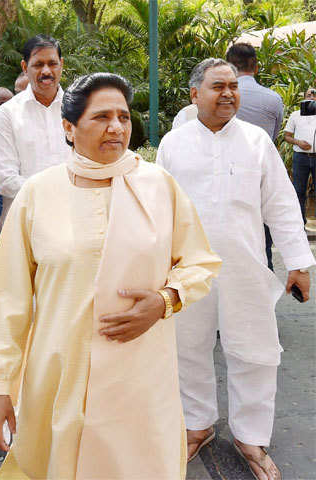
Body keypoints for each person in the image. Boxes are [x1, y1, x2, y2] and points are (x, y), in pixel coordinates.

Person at [0, 72, 222, 479]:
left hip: (140, 373)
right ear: (69, 128)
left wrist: (165, 300)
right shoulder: (37, 194)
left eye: (123, 117)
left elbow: (200, 261)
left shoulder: (159, 186)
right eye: (102, 116)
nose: (116, 127)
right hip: (61, 373)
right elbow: (7, 298)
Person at [157, 58, 314, 480]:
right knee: (187, 349)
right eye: (217, 86)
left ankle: (251, 439)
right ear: (195, 94)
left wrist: (298, 263)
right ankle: (198, 425)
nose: (228, 93)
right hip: (187, 270)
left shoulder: (256, 142)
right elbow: (160, 210)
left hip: (245, 267)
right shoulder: (174, 143)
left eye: (233, 85)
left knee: (255, 353)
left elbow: (281, 204)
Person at [0, 34, 71, 227]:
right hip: (23, 227)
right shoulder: (8, 113)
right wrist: (56, 192)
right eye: (38, 64)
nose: (46, 71)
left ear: (61, 64)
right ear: (25, 67)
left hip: (73, 222)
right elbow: (5, 179)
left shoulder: (79, 109)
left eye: (52, 63)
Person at [226, 43, 285, 270]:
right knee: (263, 243)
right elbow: (273, 137)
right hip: (261, 179)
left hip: (226, 178)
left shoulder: (216, 99)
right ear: (257, 67)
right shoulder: (273, 99)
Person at [284, 87, 316, 227]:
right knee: (298, 191)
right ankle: (299, 223)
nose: (311, 97)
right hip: (300, 158)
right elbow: (287, 136)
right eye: (309, 94)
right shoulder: (295, 115)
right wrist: (298, 143)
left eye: (314, 95)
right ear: (304, 97)